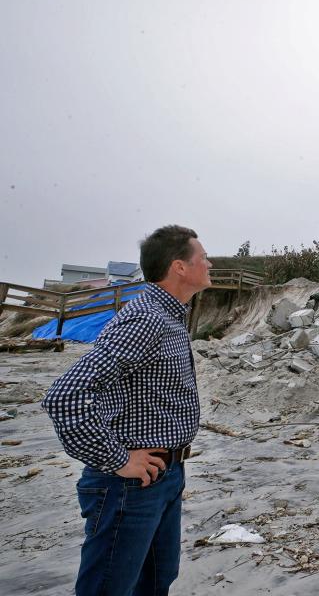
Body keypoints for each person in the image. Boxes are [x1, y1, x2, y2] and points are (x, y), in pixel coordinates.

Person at [42, 225, 212, 596]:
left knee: (154, 583)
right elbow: (66, 395)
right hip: (130, 485)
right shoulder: (146, 318)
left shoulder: (171, 316)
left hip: (165, 475)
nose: (210, 263)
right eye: (203, 258)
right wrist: (117, 459)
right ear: (180, 267)